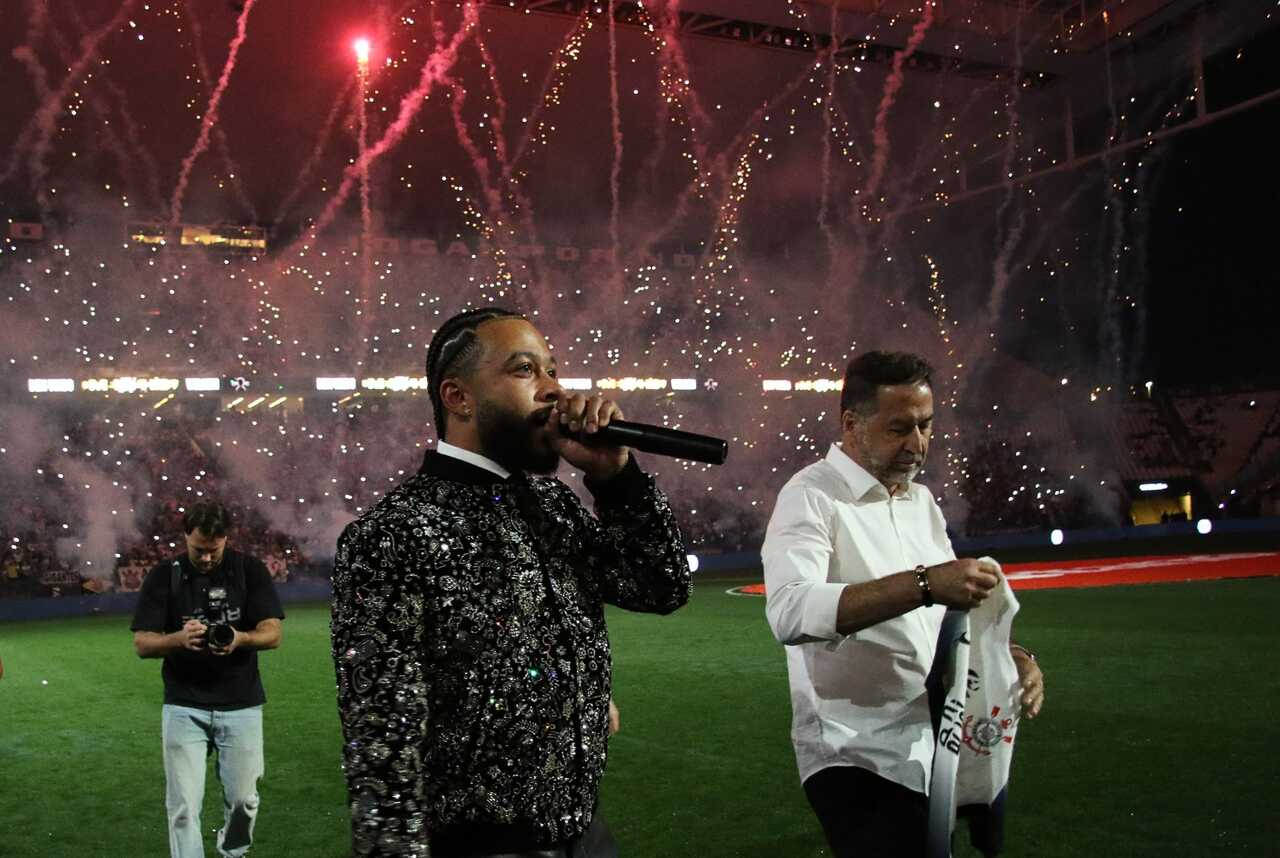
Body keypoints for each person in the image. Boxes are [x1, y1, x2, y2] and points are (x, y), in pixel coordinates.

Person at [331, 307, 691, 858]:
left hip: (586, 832)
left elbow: (661, 586)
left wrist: (614, 476)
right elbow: (382, 741)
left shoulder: (554, 504)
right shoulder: (393, 532)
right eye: (526, 371)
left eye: (553, 370)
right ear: (458, 398)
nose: (554, 391)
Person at [762, 351, 1046, 858]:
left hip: (934, 746)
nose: (917, 444)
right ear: (851, 422)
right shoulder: (810, 496)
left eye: (926, 426)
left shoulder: (921, 502)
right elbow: (789, 611)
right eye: (900, 428)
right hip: (855, 756)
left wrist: (1011, 658)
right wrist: (923, 584)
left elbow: (945, 615)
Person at [131, 500, 285, 858]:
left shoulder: (249, 570)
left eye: (213, 550)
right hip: (184, 705)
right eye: (198, 549)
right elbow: (142, 644)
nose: (205, 558)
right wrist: (178, 640)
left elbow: (273, 634)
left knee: (245, 801)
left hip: (242, 703)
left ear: (226, 539)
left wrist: (239, 638)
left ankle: (232, 854)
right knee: (183, 805)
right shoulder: (164, 574)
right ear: (185, 536)